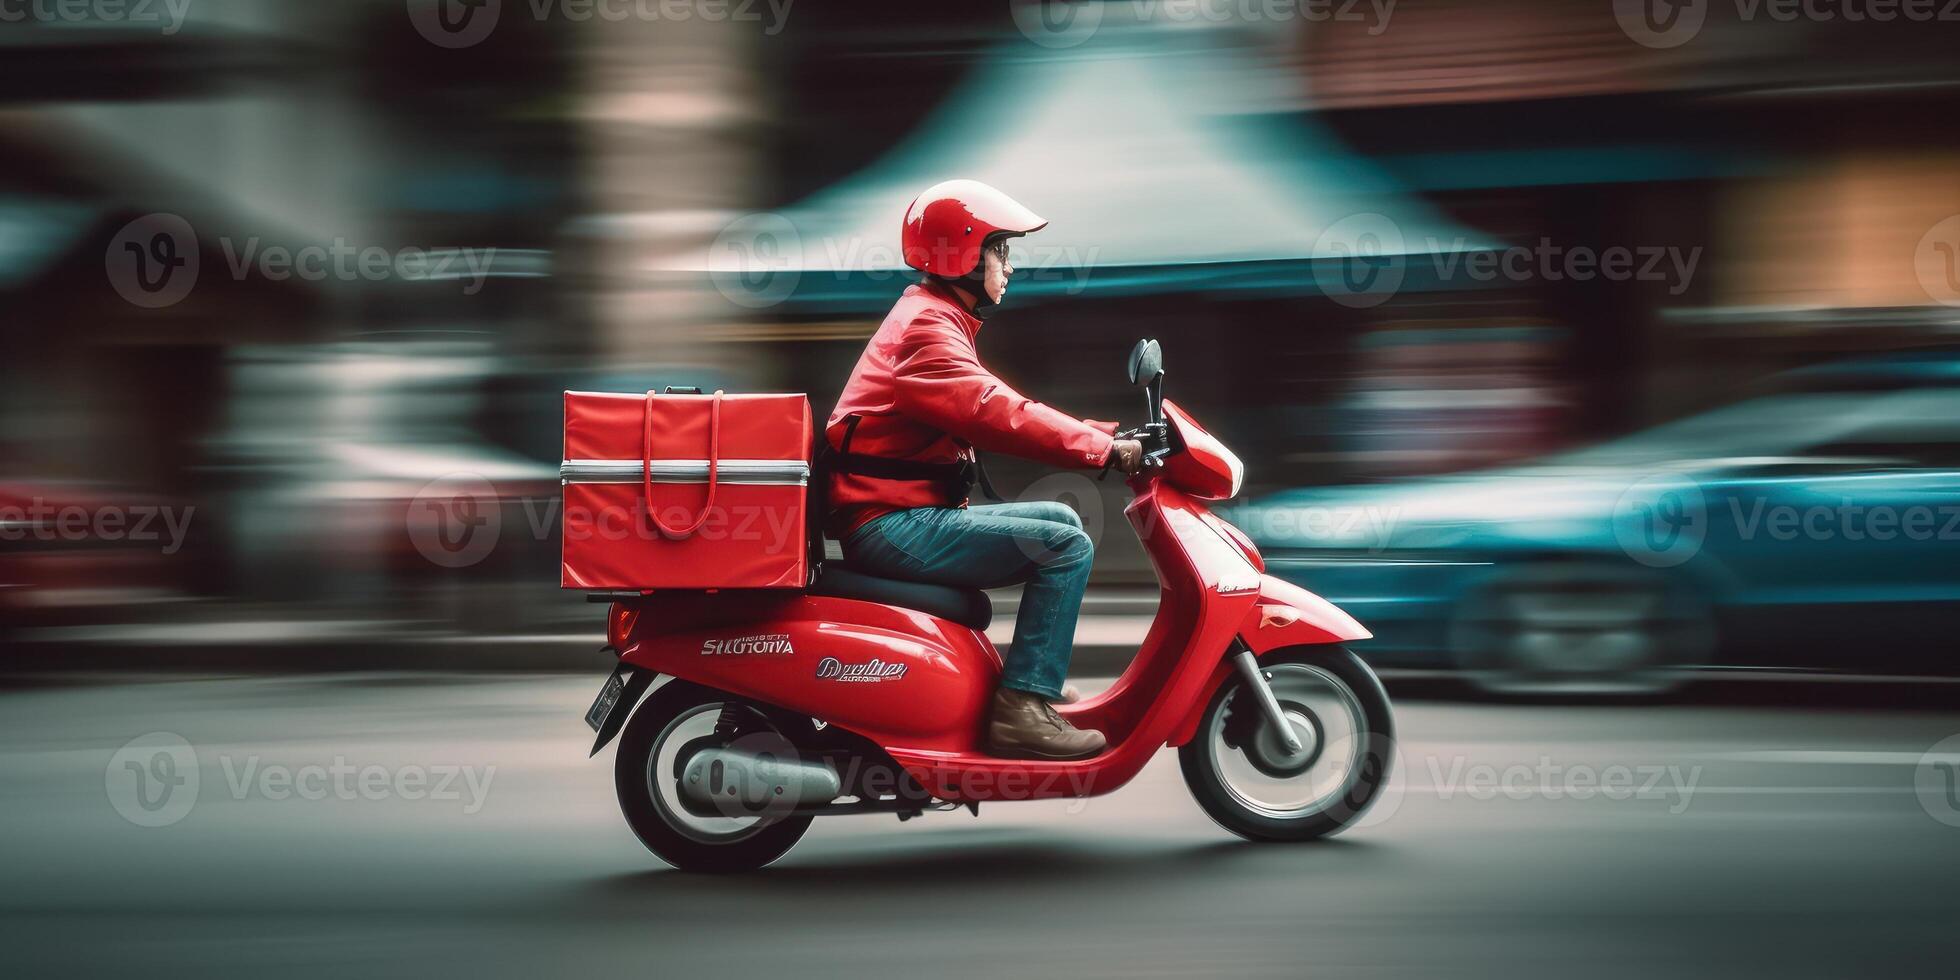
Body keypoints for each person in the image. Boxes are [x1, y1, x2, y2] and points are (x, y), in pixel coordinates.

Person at [824, 179, 1146, 760]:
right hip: (890, 525)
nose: (1010, 266)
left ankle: (1030, 680)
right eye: (1001, 250)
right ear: (964, 252)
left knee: (1058, 518)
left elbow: (998, 405)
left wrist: (1108, 436)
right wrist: (1101, 448)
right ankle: (1021, 707)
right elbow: (996, 411)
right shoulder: (928, 329)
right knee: (1065, 547)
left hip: (901, 515)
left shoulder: (935, 316)